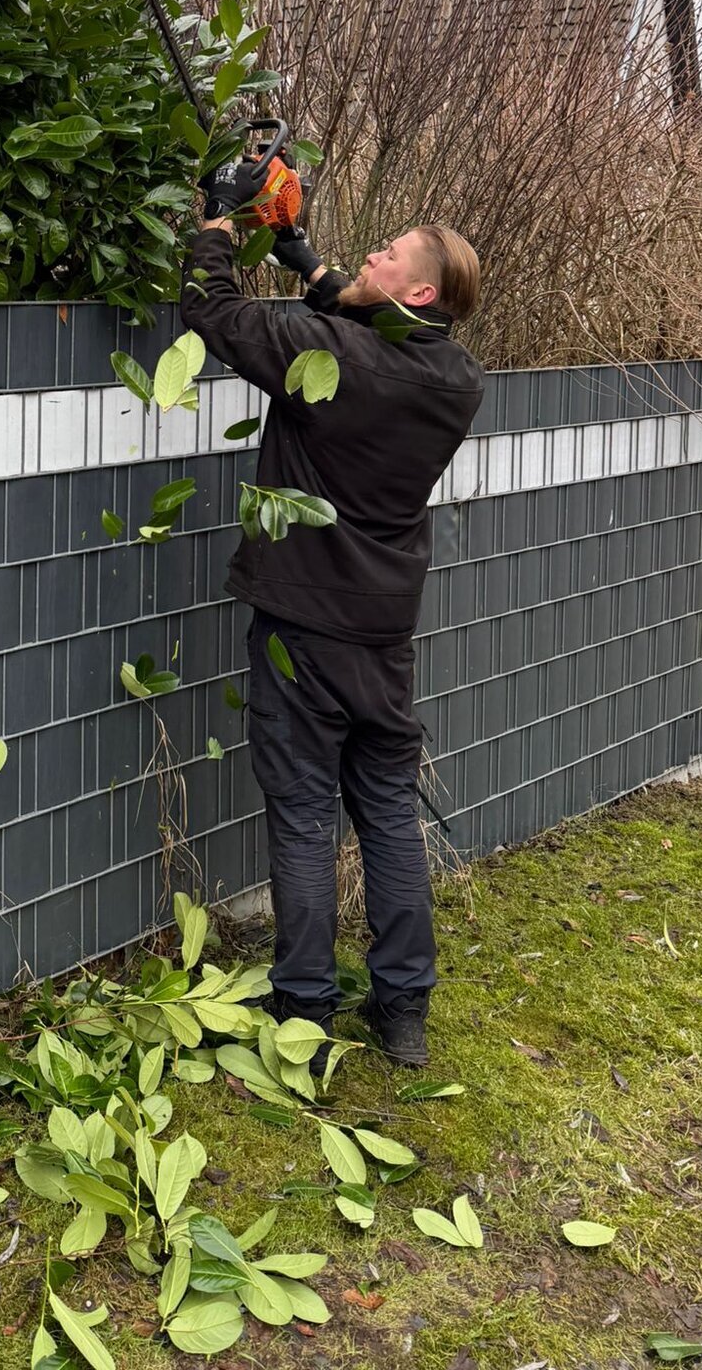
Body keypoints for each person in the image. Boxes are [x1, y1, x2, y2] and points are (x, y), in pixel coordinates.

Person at [180, 157, 484, 1066]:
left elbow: (213, 313)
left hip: (305, 629)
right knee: (387, 809)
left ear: (420, 289)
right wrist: (305, 256)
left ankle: (303, 1015)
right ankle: (404, 1012)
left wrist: (225, 224)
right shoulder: (454, 381)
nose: (371, 254)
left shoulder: (339, 363)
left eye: (386, 254)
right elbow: (353, 325)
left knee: (307, 812)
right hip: (385, 630)